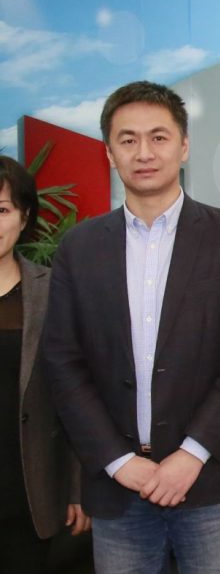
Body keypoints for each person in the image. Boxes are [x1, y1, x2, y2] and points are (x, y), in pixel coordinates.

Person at [40, 81, 220, 572]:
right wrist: (119, 462)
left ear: (184, 147)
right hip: (118, 491)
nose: (144, 152)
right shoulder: (80, 249)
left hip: (208, 484)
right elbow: (63, 364)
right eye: (128, 140)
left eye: (159, 137)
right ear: (109, 153)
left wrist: (191, 454)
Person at [0, 155, 89, 571]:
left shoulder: (52, 292)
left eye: (1, 210)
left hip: (28, 491)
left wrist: (77, 488)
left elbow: (75, 396)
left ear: (24, 216)